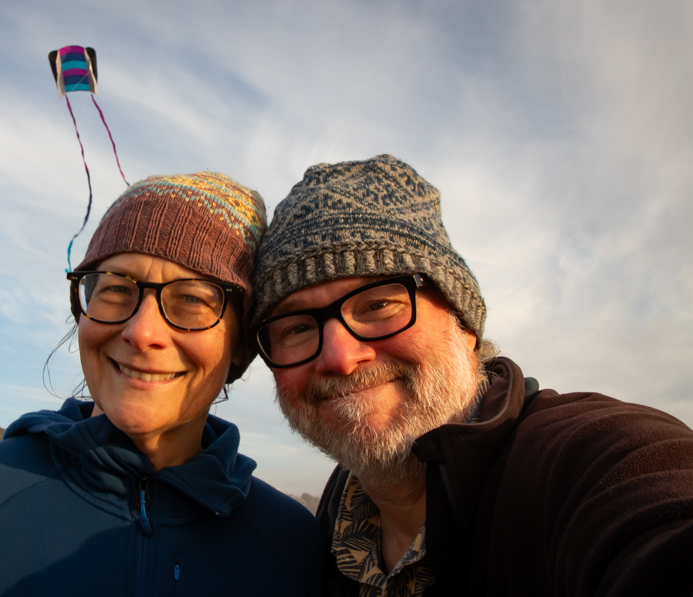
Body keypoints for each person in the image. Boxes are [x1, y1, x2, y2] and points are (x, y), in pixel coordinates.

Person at [0, 172, 325, 595]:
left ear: (241, 348)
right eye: (116, 289)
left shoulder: (291, 544)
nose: (141, 332)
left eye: (192, 300)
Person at [249, 155, 693, 596]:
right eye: (297, 328)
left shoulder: (586, 461)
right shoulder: (323, 527)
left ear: (463, 323)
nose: (340, 358)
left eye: (379, 305)